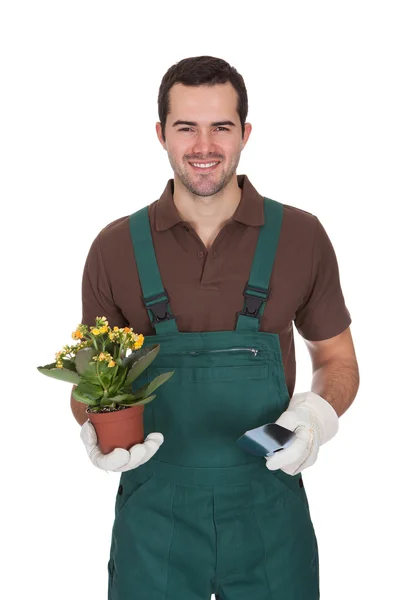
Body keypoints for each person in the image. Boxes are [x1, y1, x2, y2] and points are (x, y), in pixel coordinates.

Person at [71, 55, 359, 599]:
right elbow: (90, 382)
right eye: (186, 128)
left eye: (221, 127)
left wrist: (316, 416)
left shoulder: (301, 237)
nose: (204, 146)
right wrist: (94, 425)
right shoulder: (114, 248)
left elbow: (337, 360)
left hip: (269, 511)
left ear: (245, 133)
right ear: (161, 134)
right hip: (154, 518)